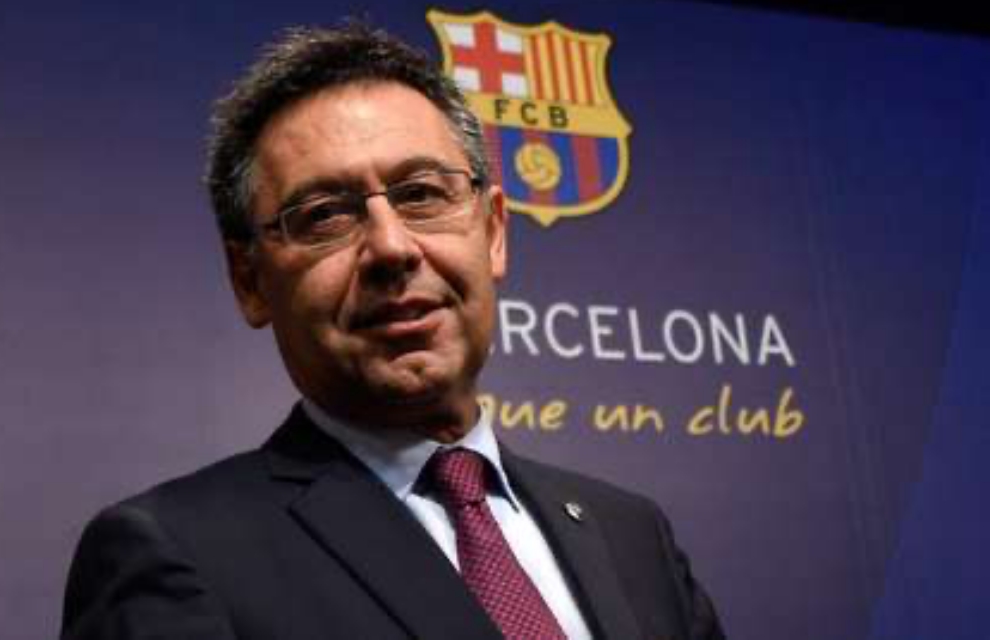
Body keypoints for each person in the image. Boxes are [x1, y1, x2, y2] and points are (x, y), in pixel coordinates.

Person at [61, 22, 725, 640]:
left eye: (422, 194)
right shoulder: (177, 551)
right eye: (325, 214)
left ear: (494, 233)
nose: (391, 247)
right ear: (250, 281)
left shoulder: (632, 535)